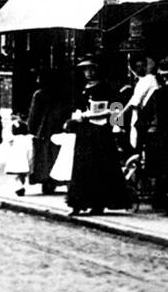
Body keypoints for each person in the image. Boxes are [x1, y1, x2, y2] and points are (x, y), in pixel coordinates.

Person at [64, 78, 131, 216]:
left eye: (92, 69)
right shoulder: (81, 88)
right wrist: (78, 117)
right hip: (85, 131)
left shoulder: (108, 88)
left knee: (100, 167)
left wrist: (116, 126)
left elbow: (117, 108)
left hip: (102, 132)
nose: (88, 73)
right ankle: (78, 203)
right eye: (86, 70)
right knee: (82, 166)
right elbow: (77, 108)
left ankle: (98, 204)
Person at [27, 70, 70, 194]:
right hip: (57, 127)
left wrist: (30, 129)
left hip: (43, 129)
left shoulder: (39, 94)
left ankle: (45, 180)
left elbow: (33, 114)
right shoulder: (62, 94)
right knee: (55, 154)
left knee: (43, 156)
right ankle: (55, 180)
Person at [137, 66, 168, 212]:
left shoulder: (155, 90)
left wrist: (116, 124)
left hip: (158, 135)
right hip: (157, 135)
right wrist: (116, 124)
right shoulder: (156, 91)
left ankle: (159, 201)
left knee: (161, 170)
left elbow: (134, 107)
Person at [3, 114, 33, 196]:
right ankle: (21, 186)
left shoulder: (13, 140)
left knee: (16, 176)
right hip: (24, 160)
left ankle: (19, 187)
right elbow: (30, 150)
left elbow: (6, 134)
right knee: (22, 175)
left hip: (15, 160)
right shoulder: (28, 139)